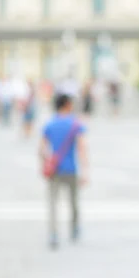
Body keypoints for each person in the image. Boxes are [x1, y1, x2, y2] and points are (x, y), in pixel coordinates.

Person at [40, 94, 88, 250]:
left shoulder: (50, 124)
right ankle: (74, 227)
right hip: (71, 168)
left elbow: (41, 149)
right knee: (73, 202)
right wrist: (85, 171)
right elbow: (81, 149)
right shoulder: (75, 124)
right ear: (67, 104)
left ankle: (53, 233)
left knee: (53, 203)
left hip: (55, 170)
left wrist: (46, 163)